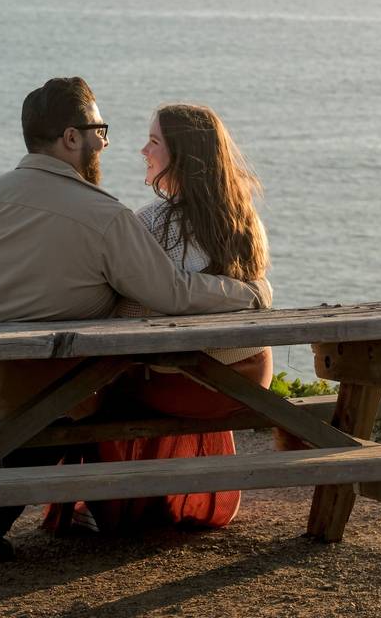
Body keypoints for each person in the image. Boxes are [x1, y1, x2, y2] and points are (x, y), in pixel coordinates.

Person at [0, 78, 271, 552]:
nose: (107, 143)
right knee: (79, 395)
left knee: (33, 409)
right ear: (72, 138)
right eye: (100, 129)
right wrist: (246, 292)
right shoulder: (105, 216)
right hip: (48, 397)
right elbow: (172, 292)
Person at [84, 103, 273, 532]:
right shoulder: (244, 218)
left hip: (188, 383)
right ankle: (183, 498)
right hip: (248, 378)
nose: (142, 150)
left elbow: (130, 310)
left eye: (153, 141)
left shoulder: (150, 224)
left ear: (181, 156)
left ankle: (118, 507)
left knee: (99, 390)